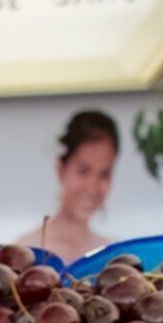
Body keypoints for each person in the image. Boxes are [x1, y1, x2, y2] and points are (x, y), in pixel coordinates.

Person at [33, 110, 120, 258]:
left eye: (104, 174)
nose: (92, 188)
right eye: (83, 171)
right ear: (61, 170)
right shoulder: (28, 251)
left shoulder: (113, 255)